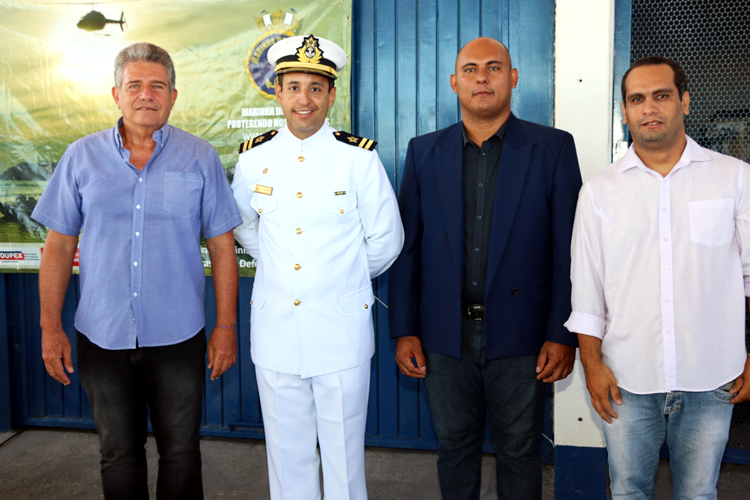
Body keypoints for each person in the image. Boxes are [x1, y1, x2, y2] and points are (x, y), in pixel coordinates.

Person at [32, 42, 242, 500]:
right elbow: (57, 247)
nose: (146, 95)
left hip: (179, 335)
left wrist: (226, 326)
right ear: (116, 94)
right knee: (118, 453)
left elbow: (222, 248)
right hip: (101, 336)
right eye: (135, 86)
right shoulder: (80, 157)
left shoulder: (200, 157)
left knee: (182, 453)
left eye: (157, 86)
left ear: (173, 95)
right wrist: (51, 328)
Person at [388, 37, 581, 499]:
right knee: (454, 447)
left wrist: (561, 332)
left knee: (519, 450)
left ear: (512, 79)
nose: (482, 77)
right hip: (443, 336)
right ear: (455, 82)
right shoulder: (423, 152)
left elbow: (569, 251)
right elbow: (407, 248)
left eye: (494, 68)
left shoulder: (552, 148)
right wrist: (405, 330)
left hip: (523, 335)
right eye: (470, 69)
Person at [565, 55, 750, 499]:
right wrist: (591, 366)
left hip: (712, 376)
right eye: (637, 99)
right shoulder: (599, 192)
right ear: (625, 112)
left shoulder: (735, 179)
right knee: (628, 490)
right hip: (626, 377)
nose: (650, 108)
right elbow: (587, 291)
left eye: (661, 96)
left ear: (684, 103)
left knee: (699, 492)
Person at [231, 34, 403, 500]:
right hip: (277, 331)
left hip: (340, 329)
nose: (303, 99)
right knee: (287, 457)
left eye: (315, 87)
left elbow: (387, 238)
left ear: (331, 95)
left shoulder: (358, 158)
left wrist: (338, 277)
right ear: (278, 92)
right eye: (293, 87)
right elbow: (244, 228)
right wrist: (284, 268)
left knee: (345, 457)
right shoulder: (253, 158)